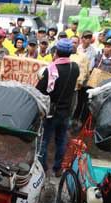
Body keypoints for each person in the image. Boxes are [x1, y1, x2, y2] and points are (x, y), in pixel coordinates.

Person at [36, 38, 80, 177]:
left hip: (51, 113)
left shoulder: (50, 70)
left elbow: (40, 91)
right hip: (66, 112)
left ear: (56, 52)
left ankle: (42, 167)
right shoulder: (75, 68)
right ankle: (58, 168)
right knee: (61, 140)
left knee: (44, 140)